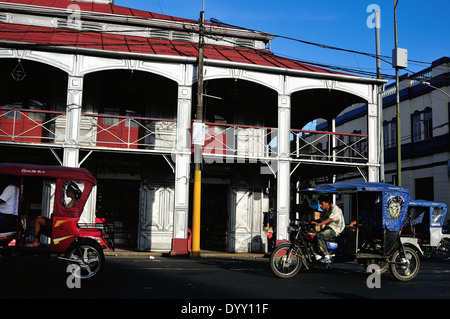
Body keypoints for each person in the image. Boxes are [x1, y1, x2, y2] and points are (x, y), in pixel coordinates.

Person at [27, 181, 81, 247]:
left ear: (72, 192)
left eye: (67, 190)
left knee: (38, 219)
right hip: (62, 223)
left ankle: (35, 241)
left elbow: (65, 213)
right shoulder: (75, 201)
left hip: (61, 225)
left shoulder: (73, 202)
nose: (66, 191)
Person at [311, 195, 345, 263]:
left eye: (321, 204)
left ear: (327, 203)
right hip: (329, 228)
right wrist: (312, 222)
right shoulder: (327, 210)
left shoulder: (335, 208)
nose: (320, 206)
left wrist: (320, 224)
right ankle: (318, 254)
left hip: (335, 230)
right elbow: (321, 219)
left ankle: (327, 256)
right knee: (313, 236)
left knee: (319, 236)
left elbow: (329, 219)